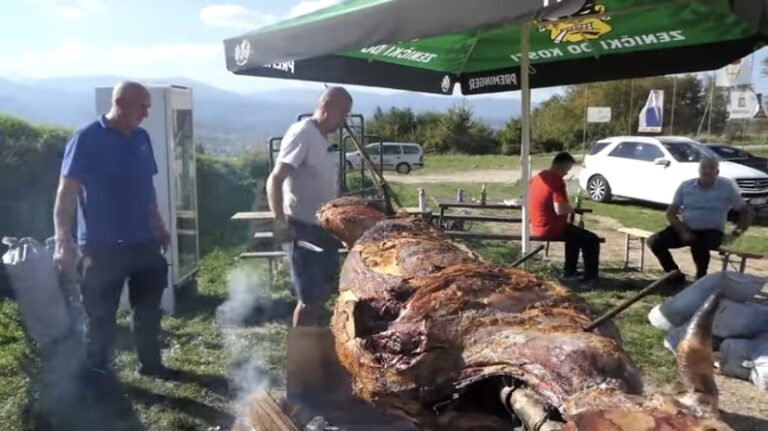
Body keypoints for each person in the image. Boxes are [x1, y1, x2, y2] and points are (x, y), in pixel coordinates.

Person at [53, 81, 177, 382]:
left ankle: (150, 365)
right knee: (101, 316)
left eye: (148, 106)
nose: (147, 113)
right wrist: (62, 241)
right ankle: (98, 372)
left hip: (144, 243)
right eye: (142, 106)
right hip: (102, 246)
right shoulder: (86, 138)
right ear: (121, 103)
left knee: (148, 310)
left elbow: (146, 189)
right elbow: (66, 193)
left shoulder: (141, 138)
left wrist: (158, 224)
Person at [266, 86, 352, 327]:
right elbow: (276, 178)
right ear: (325, 108)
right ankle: (300, 359)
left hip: (324, 229)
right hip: (302, 229)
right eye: (343, 113)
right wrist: (280, 220)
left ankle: (313, 344)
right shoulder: (303, 133)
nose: (345, 120)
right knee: (308, 299)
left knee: (323, 291)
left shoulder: (322, 138)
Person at [648, 156, 752, 284]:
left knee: (698, 241)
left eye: (711, 168)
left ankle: (700, 278)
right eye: (704, 167)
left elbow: (746, 212)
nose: (707, 171)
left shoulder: (727, 187)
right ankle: (674, 274)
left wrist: (735, 234)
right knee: (654, 241)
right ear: (699, 170)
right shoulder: (686, 186)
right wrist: (683, 231)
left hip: (711, 232)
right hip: (686, 229)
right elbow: (670, 213)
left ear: (717, 172)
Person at [529, 152, 601, 284]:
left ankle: (570, 271)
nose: (566, 173)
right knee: (592, 239)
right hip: (551, 227)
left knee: (574, 236)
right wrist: (571, 208)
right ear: (562, 165)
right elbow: (560, 209)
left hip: (537, 224)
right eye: (567, 169)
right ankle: (590, 277)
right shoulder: (556, 181)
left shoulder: (537, 178)